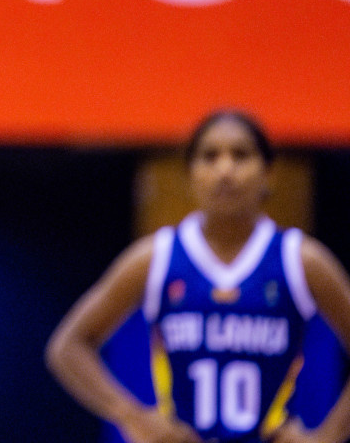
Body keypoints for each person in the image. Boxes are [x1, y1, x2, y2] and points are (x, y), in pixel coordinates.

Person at [46, 111, 350, 443]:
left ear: (269, 174)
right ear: (191, 174)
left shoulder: (300, 260)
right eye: (210, 156)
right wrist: (130, 415)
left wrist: (329, 436)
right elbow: (67, 347)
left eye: (241, 154)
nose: (225, 169)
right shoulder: (156, 257)